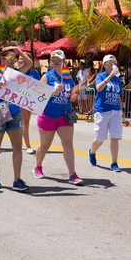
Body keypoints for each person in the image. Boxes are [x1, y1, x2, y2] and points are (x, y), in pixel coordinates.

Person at [0, 46, 33, 191]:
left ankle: (17, 179)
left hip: (14, 113)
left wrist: (17, 48)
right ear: (3, 59)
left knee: (17, 147)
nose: (13, 62)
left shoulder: (17, 74)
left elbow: (29, 63)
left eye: (15, 59)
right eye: (10, 59)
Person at [34, 50, 83, 185]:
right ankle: (38, 166)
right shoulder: (47, 76)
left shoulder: (68, 77)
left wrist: (77, 92)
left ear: (64, 62)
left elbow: (73, 97)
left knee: (68, 143)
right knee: (45, 145)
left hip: (64, 116)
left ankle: (72, 174)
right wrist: (53, 92)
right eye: (53, 60)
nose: (56, 62)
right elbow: (38, 97)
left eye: (58, 60)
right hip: (48, 115)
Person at [88, 55, 123, 172]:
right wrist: (110, 75)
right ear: (104, 64)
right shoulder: (100, 76)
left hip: (115, 111)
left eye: (114, 62)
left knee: (115, 137)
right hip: (102, 111)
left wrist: (121, 110)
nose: (112, 64)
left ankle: (114, 163)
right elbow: (98, 88)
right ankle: (92, 151)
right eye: (109, 62)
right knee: (100, 138)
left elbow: (118, 95)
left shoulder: (117, 80)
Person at [18, 54, 40, 155]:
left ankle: (21, 141)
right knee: (25, 121)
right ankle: (27, 146)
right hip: (19, 99)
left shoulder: (34, 72)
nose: (21, 61)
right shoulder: (17, 71)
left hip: (30, 99)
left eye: (23, 59)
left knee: (26, 122)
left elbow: (38, 86)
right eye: (20, 59)